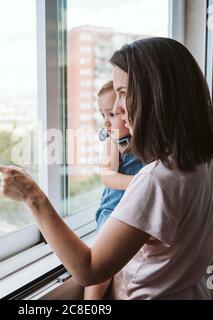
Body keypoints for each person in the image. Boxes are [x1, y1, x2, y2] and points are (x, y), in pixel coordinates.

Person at [0, 37, 213, 300]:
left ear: (156, 94)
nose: (117, 108)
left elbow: (89, 269)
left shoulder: (158, 179)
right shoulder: (212, 155)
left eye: (123, 93)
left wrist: (33, 196)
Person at [85, 80, 144, 299]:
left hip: (136, 213)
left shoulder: (145, 140)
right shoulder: (112, 141)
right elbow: (107, 176)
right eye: (103, 115)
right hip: (113, 211)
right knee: (100, 266)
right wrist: (141, 183)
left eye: (111, 114)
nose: (106, 122)